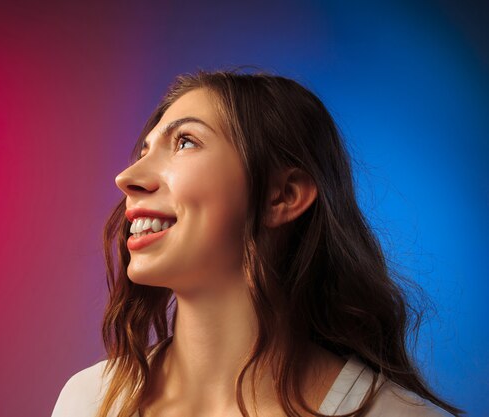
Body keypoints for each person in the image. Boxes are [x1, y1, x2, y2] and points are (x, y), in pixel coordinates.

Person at [51, 70, 463, 417]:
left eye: (185, 142)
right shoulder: (88, 401)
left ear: (282, 196)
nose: (127, 177)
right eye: (144, 150)